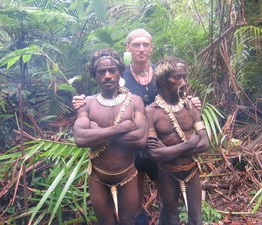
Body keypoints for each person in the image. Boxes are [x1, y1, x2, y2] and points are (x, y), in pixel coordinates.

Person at [72, 28, 202, 225]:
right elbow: (103, 99)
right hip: (130, 152)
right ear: (128, 48)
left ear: (152, 47)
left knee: (167, 198)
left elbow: (178, 90)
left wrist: (190, 101)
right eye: (136, 45)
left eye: (145, 44)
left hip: (159, 143)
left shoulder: (162, 72)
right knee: (134, 201)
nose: (141, 49)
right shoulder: (119, 73)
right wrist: (84, 104)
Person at [73, 48, 147, 225]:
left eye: (112, 70)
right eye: (101, 72)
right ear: (95, 75)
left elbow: (140, 139)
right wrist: (121, 128)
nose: (107, 75)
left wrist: (96, 131)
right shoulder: (87, 103)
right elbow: (81, 139)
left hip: (128, 174)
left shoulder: (134, 101)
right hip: (98, 177)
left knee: (128, 222)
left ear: (119, 72)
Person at [145, 56, 209, 225]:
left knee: (196, 219)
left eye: (184, 77)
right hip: (166, 173)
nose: (182, 82)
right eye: (177, 77)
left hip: (191, 171)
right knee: (171, 218)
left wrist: (168, 151)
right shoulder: (151, 112)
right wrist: (188, 143)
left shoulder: (191, 107)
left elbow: (205, 143)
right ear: (163, 80)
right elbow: (154, 153)